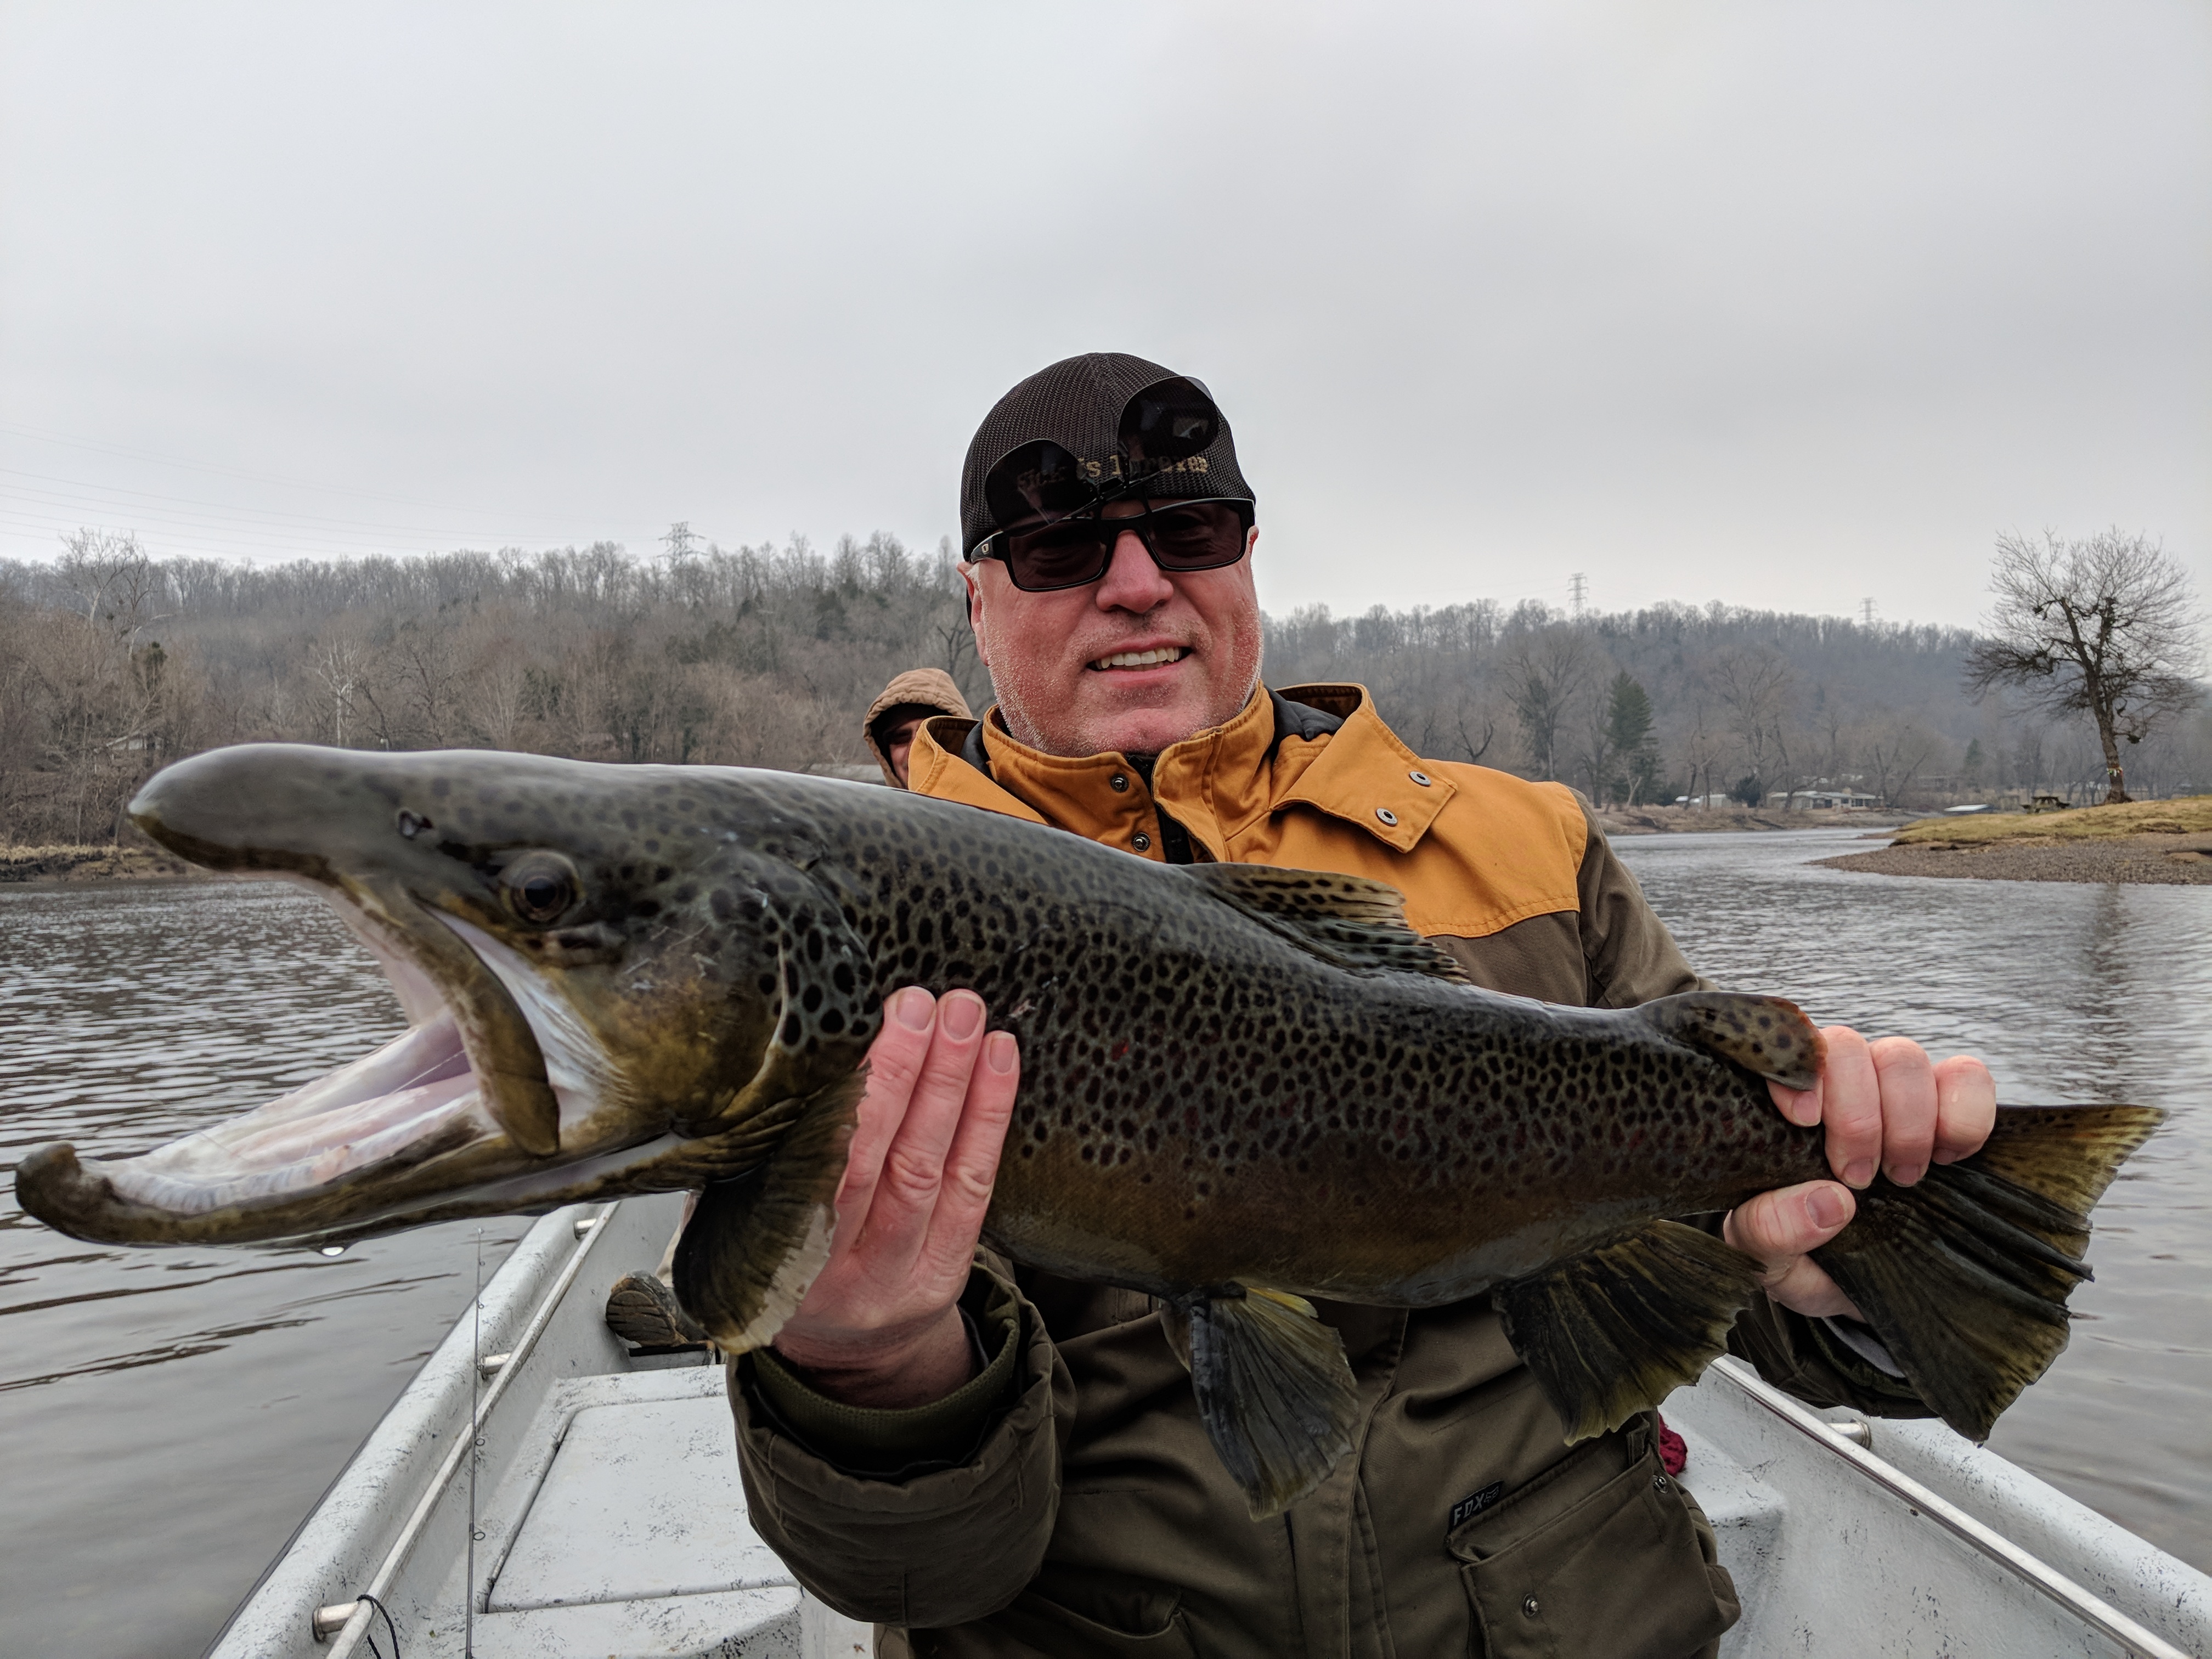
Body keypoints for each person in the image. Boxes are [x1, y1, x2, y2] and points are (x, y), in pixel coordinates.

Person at [724, 354, 1996, 1659]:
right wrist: (873, 1372)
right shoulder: (863, 927)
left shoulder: (1532, 843)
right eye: (1058, 548)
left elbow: (1760, 1293)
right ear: (977, 600)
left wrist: (1854, 1282)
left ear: (1247, 554)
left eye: (1188, 530)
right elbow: (925, 1573)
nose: (1137, 582)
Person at [601, 665, 975, 1348]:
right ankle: (695, 1293)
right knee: (737, 1129)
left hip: (952, 1050)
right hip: (838, 1047)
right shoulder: (850, 828)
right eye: (896, 736)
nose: (910, 747)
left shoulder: (988, 819)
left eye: (925, 732)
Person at [865, 668, 973, 788]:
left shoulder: (994, 804)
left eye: (932, 735)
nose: (914, 748)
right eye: (900, 737)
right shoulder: (865, 806)